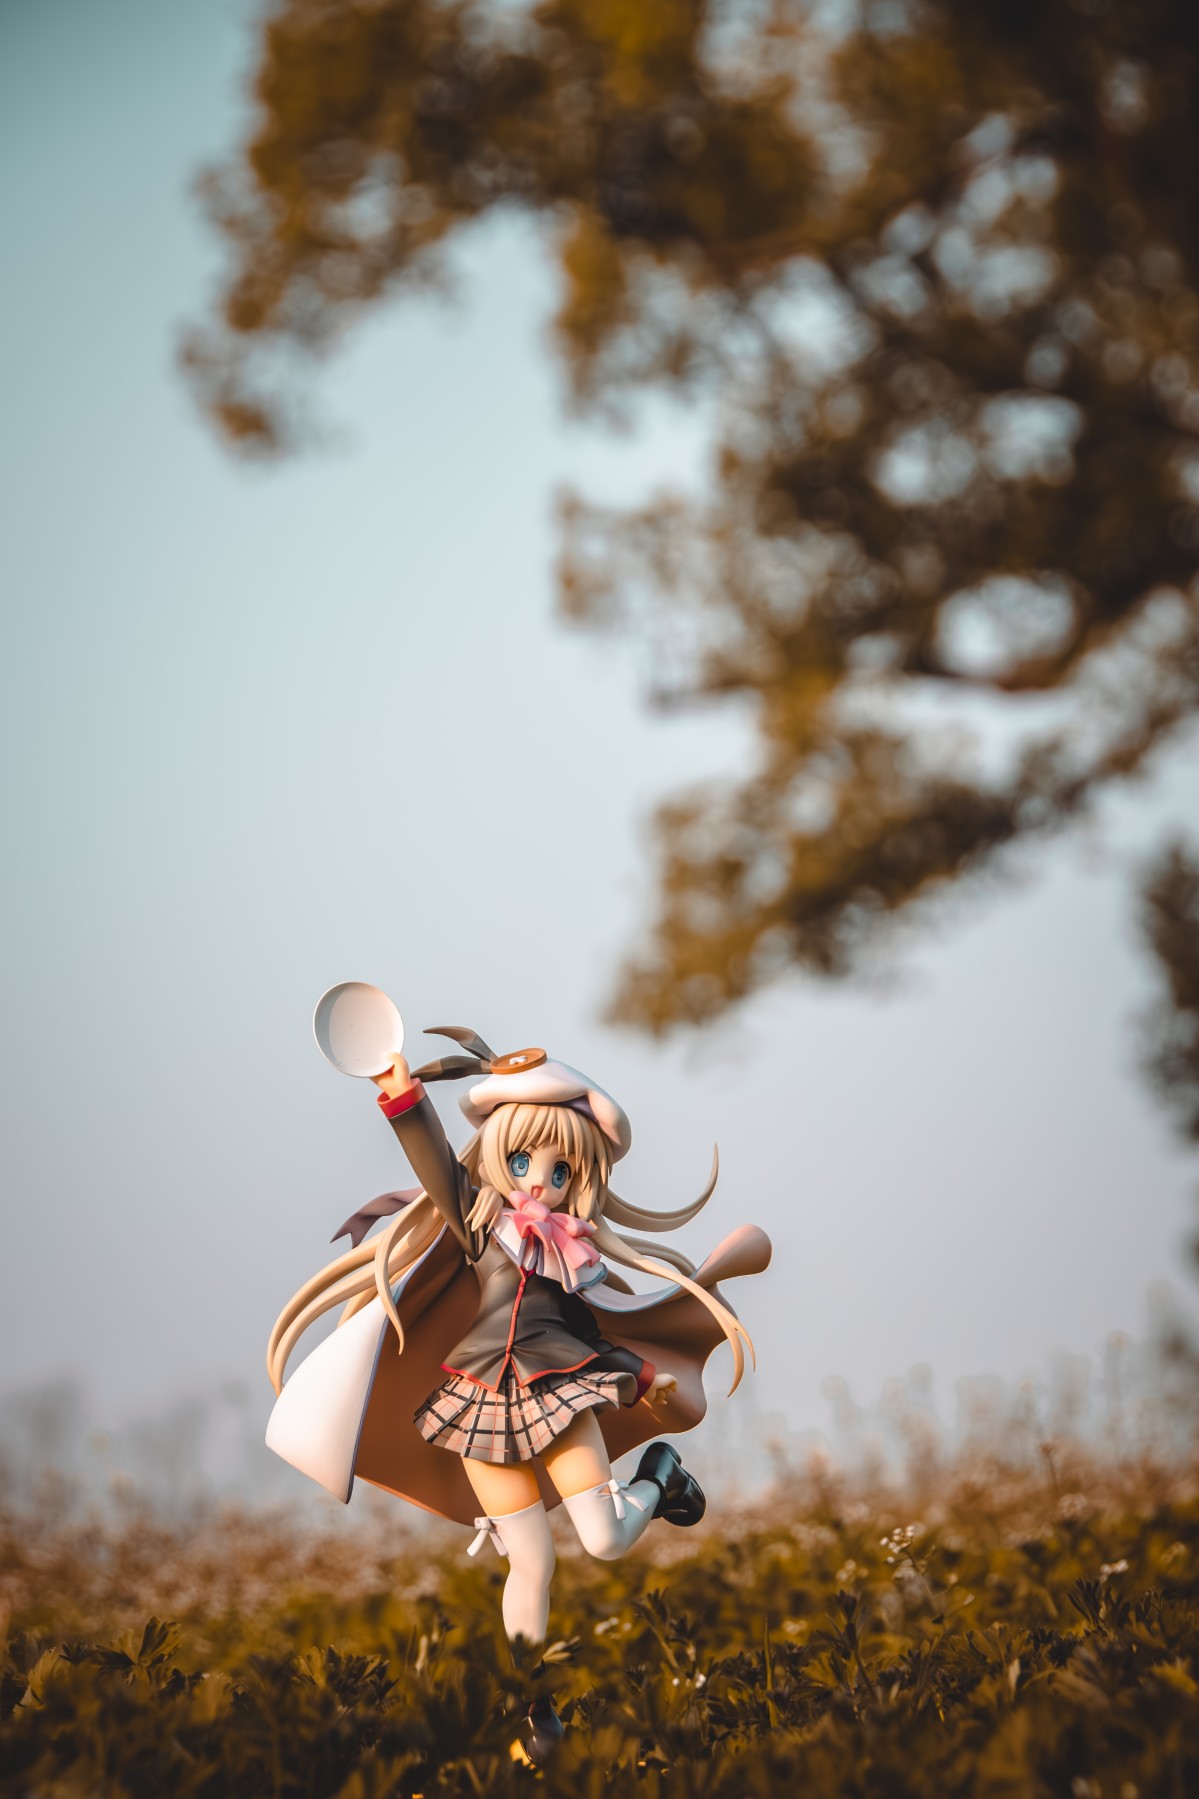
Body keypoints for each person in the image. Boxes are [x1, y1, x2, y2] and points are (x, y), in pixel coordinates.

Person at [266, 1026, 771, 1758]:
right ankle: (532, 1707)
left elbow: (588, 1328)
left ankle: (658, 1478)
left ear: (580, 1176)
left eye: (558, 1169)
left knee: (604, 1540)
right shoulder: (481, 1225)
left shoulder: (576, 1254)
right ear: (500, 1156)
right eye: (523, 1160)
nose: (538, 1180)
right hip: (477, 1402)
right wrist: (401, 1094)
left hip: (559, 1394)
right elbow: (437, 1165)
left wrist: (639, 1375)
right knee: (529, 1562)